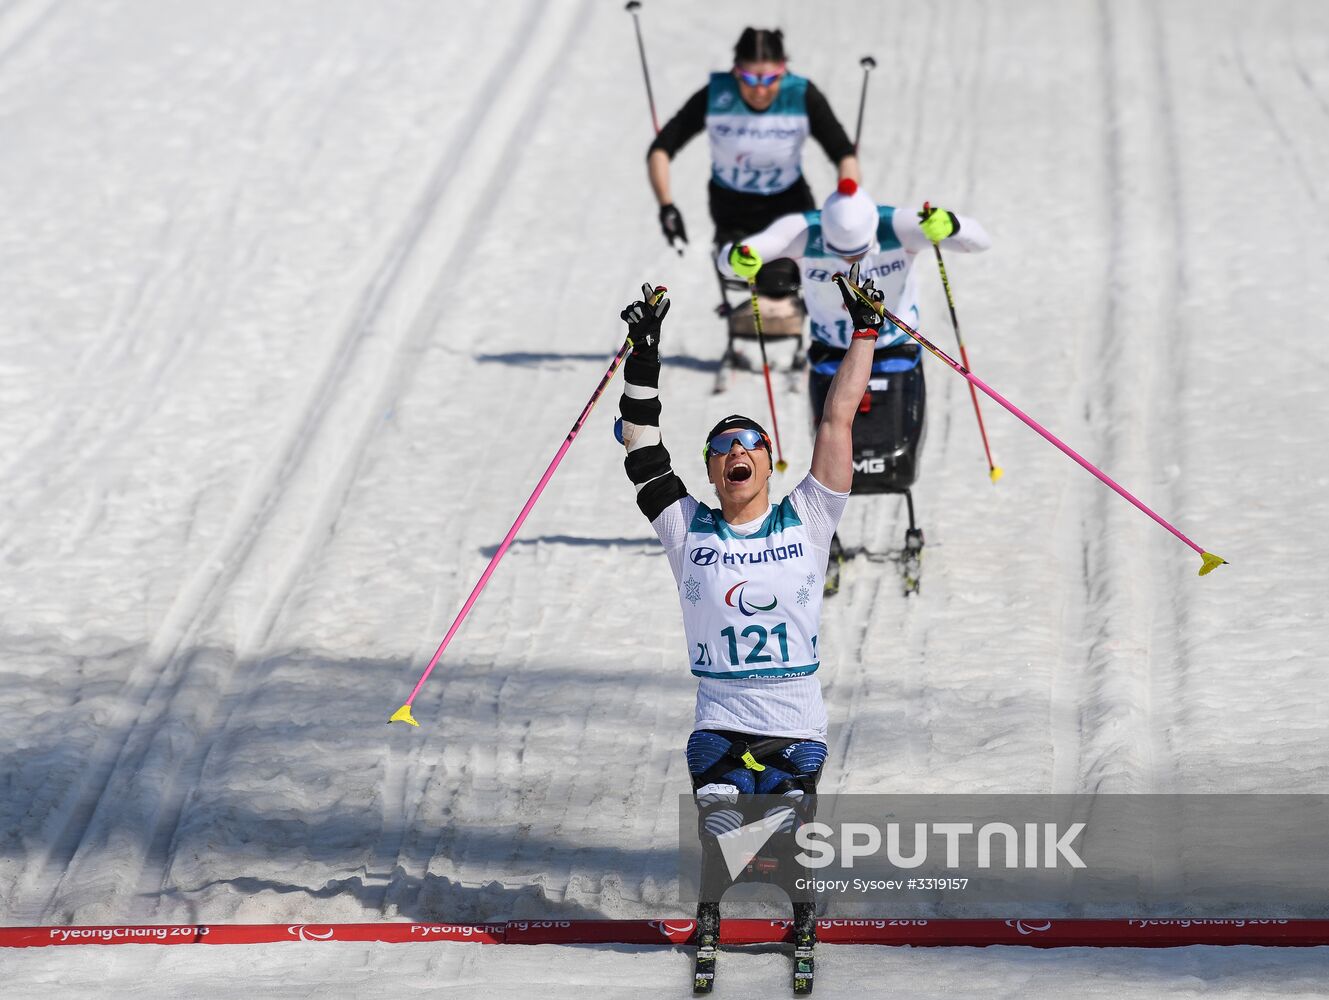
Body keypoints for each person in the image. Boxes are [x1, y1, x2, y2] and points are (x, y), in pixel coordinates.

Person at [614, 268, 883, 980]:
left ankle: (800, 915)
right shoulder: (686, 526)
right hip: (720, 718)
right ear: (711, 470)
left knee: (786, 829)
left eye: (750, 443)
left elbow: (838, 416)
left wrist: (863, 332)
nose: (737, 451)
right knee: (719, 827)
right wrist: (644, 349)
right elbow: (639, 440)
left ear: (770, 461)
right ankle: (712, 915)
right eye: (723, 447)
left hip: (795, 720)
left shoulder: (809, 514)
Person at [716, 179, 992, 580]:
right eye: (841, 254)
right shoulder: (803, 229)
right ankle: (831, 529)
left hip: (895, 347)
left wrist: (949, 225)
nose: (850, 262)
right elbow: (735, 256)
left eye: (860, 252)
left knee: (898, 445)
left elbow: (979, 240)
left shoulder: (895, 224)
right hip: (835, 353)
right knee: (833, 442)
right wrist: (741, 258)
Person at [647, 27, 860, 300]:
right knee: (743, 269)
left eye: (771, 78)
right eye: (748, 78)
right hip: (733, 212)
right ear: (736, 70)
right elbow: (661, 149)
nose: (759, 90)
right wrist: (667, 205)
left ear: (784, 70)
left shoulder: (801, 95)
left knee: (779, 281)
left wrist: (849, 200)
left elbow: (844, 154)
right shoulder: (715, 96)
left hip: (789, 208)